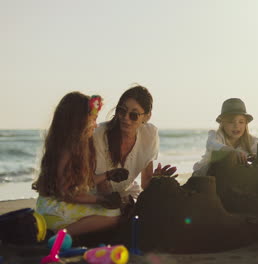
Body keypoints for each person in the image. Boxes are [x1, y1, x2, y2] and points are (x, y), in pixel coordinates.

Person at [32, 92, 127, 236]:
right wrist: (99, 200)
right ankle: (59, 236)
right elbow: (68, 194)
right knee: (114, 214)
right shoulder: (67, 152)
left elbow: (80, 183)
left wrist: (108, 175)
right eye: (93, 119)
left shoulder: (63, 146)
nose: (95, 125)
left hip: (46, 207)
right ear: (79, 122)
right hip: (54, 212)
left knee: (110, 212)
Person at [94, 85, 176, 202]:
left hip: (127, 194)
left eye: (134, 115)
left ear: (146, 117)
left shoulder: (149, 134)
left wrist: (157, 179)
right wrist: (123, 208)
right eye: (122, 111)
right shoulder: (100, 133)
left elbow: (145, 183)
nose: (126, 118)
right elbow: (102, 187)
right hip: (95, 196)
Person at [193, 98, 258, 176]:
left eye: (241, 122)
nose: (236, 125)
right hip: (204, 175)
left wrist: (256, 156)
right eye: (231, 122)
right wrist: (232, 152)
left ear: (245, 124)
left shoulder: (251, 140)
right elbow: (212, 144)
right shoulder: (215, 136)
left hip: (229, 177)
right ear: (222, 123)